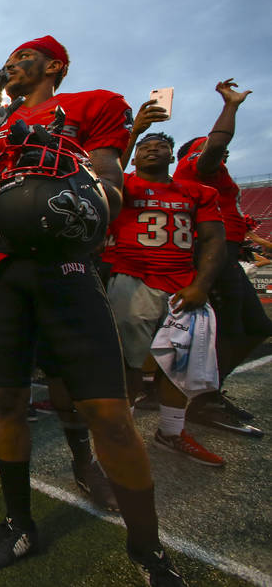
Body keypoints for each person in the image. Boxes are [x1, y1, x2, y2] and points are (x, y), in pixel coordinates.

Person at [0, 36, 184, 583]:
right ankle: (18, 519)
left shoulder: (92, 105)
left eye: (23, 56)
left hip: (63, 259)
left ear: (55, 66)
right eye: (8, 57)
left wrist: (67, 198)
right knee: (5, 401)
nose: (11, 64)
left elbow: (112, 191)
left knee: (110, 413)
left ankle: (147, 548)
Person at [106, 131, 226, 465]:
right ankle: (123, 433)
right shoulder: (123, 186)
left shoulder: (197, 191)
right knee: (128, 364)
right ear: (134, 156)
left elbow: (215, 239)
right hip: (133, 280)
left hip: (183, 285)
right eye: (146, 147)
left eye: (162, 147)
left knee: (181, 365)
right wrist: (134, 131)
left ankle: (170, 432)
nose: (154, 150)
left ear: (173, 156)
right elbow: (106, 176)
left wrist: (202, 284)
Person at [174, 80, 271, 438]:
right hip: (210, 252)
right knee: (225, 331)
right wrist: (230, 107)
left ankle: (204, 394)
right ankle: (201, 399)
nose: (224, 156)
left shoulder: (217, 173)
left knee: (257, 328)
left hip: (225, 252)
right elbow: (215, 146)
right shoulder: (199, 163)